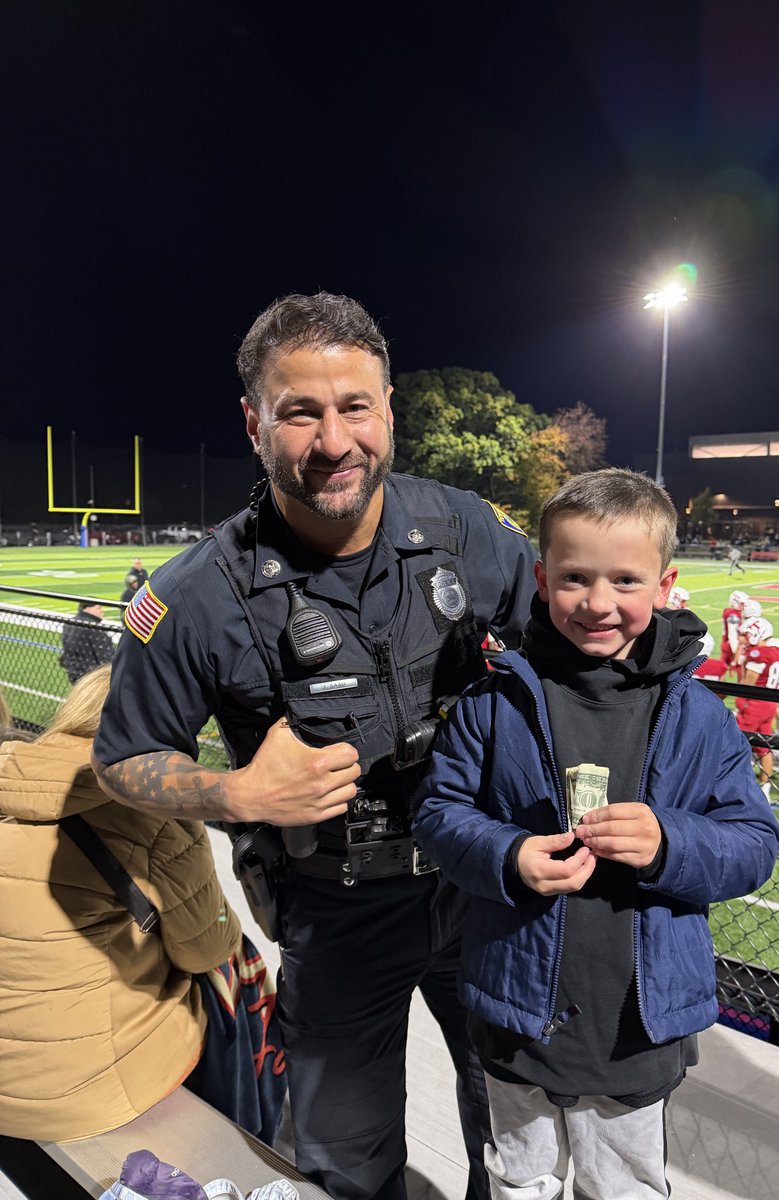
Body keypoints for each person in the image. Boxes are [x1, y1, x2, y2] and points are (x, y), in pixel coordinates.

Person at [92, 291, 538, 1200]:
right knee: (342, 1164)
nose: (333, 441)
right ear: (255, 423)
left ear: (387, 411)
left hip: (485, 885)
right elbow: (122, 758)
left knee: (516, 1136)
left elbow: (565, 651)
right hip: (338, 917)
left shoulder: (466, 531)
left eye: (354, 407)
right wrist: (238, 795)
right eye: (300, 412)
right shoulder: (196, 595)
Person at [413, 469, 779, 1200]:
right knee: (520, 1182)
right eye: (576, 578)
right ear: (543, 579)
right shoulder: (497, 698)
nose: (600, 603)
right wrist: (508, 855)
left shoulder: (700, 714)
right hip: (516, 1008)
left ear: (665, 584)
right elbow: (437, 815)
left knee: (624, 1189)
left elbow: (754, 842)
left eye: (625, 580)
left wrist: (670, 844)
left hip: (636, 1024)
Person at [0, 665, 243, 1140]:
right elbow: (207, 950)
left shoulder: (11, 775)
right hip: (85, 1096)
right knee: (234, 977)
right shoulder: (157, 812)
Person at [735, 617, 779, 800]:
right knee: (764, 746)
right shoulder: (778, 651)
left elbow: (748, 684)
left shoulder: (759, 653)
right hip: (770, 701)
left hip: (755, 703)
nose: (744, 637)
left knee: (737, 743)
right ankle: (765, 787)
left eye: (746, 633)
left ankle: (737, 785)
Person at [59, 600, 115, 684]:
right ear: (87, 608)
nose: (102, 610)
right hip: (94, 679)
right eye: (98, 608)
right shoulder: (94, 628)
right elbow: (106, 658)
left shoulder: (69, 624)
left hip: (75, 674)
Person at [721, 589, 747, 676]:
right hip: (732, 645)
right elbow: (732, 635)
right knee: (740, 671)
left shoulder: (729, 611)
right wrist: (736, 653)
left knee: (721, 671)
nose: (744, 606)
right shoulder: (733, 614)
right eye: (742, 603)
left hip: (726, 644)